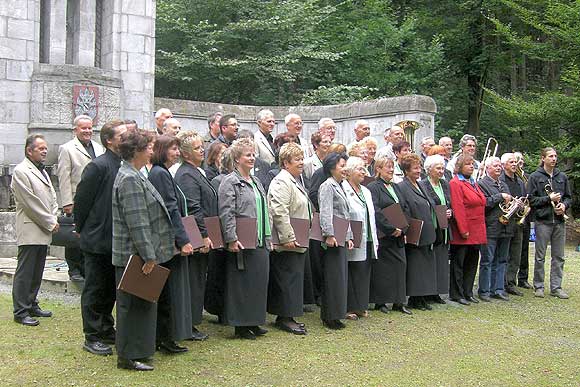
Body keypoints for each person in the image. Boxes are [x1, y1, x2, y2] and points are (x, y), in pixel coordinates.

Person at [112, 129, 174, 371]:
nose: (152, 151)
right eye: (149, 147)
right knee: (132, 307)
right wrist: (148, 256)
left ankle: (139, 350)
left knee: (142, 305)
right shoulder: (129, 178)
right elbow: (137, 222)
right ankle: (128, 355)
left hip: (139, 254)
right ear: (136, 150)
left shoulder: (134, 174)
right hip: (134, 255)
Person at [74, 119, 126, 355]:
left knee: (109, 289)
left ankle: (106, 328)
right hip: (97, 239)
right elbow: (82, 202)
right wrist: (84, 228)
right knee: (95, 288)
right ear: (109, 140)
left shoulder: (123, 164)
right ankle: (92, 335)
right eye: (122, 136)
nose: (127, 139)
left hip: (115, 239)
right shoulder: (98, 166)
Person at [218, 138, 271, 340]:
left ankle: (254, 321)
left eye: (253, 154)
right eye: (248, 155)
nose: (252, 158)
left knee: (258, 282)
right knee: (242, 284)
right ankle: (241, 325)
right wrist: (231, 237)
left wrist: (268, 236)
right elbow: (226, 212)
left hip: (259, 240)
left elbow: (265, 211)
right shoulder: (230, 182)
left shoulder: (256, 181)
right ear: (237, 158)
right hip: (242, 240)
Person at [147, 135, 195, 347]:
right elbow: (170, 208)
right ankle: (165, 338)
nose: (177, 153)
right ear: (162, 150)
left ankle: (164, 336)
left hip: (168, 239)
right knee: (167, 291)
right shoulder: (160, 173)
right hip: (167, 242)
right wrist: (183, 239)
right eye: (173, 149)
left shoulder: (162, 172)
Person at [11, 134, 59, 327]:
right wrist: (50, 221)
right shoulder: (21, 171)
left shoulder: (42, 170)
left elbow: (51, 197)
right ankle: (20, 310)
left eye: (45, 148)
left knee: (37, 270)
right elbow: (30, 203)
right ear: (29, 150)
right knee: (26, 271)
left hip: (43, 227)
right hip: (31, 228)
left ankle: (31, 303)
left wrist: (54, 216)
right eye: (40, 148)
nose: (45, 151)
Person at [173, 131, 216, 339]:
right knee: (193, 281)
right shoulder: (187, 175)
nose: (203, 150)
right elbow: (193, 207)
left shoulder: (196, 171)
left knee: (198, 280)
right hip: (195, 236)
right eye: (198, 148)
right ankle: (188, 324)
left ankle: (192, 322)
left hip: (200, 234)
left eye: (202, 146)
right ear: (187, 154)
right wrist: (204, 235)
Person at [267, 142, 310, 335]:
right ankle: (284, 317)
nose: (301, 162)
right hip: (288, 240)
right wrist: (287, 236)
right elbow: (279, 211)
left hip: (298, 237)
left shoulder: (293, 179)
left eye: (302, 158)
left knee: (293, 277)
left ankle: (289, 315)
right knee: (286, 277)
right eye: (297, 159)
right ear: (285, 163)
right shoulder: (282, 181)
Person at [57, 114, 105, 281]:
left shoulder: (99, 148)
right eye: (84, 128)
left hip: (96, 199)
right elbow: (64, 176)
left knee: (89, 232)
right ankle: (74, 269)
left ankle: (86, 267)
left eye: (90, 127)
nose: (87, 131)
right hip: (77, 198)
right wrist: (67, 202)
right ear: (75, 129)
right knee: (73, 233)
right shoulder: (67, 148)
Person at [368, 157, 411, 315]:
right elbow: (376, 211)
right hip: (385, 235)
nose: (391, 170)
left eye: (393, 167)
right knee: (383, 270)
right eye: (387, 167)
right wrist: (391, 228)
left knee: (400, 266)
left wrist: (403, 227)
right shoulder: (373, 187)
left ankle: (399, 302)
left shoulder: (396, 187)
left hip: (399, 234)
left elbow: (405, 206)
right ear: (378, 169)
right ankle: (381, 302)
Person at [527, 147, 572, 299]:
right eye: (550, 156)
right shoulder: (534, 177)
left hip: (559, 221)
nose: (553, 159)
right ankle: (538, 286)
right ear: (543, 158)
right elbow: (531, 200)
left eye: (555, 156)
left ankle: (556, 287)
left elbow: (568, 197)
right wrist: (549, 199)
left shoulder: (562, 177)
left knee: (559, 256)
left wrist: (564, 206)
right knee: (540, 256)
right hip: (542, 221)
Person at [318, 152, 354, 329]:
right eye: (341, 165)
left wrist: (348, 237)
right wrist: (329, 234)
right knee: (333, 277)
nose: (344, 168)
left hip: (341, 236)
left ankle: (337, 313)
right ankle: (330, 315)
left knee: (340, 277)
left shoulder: (340, 185)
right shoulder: (328, 186)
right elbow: (326, 211)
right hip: (332, 238)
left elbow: (344, 214)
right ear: (332, 167)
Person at [397, 153, 437, 311]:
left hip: (426, 231)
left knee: (424, 266)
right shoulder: (402, 186)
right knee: (415, 267)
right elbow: (404, 208)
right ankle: (414, 297)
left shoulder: (420, 184)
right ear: (406, 170)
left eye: (419, 167)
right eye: (415, 168)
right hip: (414, 231)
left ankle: (421, 296)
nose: (418, 170)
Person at [342, 157, 378, 320]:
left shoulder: (366, 191)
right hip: (352, 235)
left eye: (364, 168)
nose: (364, 172)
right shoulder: (343, 188)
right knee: (351, 272)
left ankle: (360, 305)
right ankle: (349, 307)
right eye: (360, 169)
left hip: (367, 236)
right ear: (349, 172)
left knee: (363, 272)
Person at [449, 155, 486, 305]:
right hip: (463, 230)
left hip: (476, 230)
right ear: (459, 166)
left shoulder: (473, 182)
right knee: (459, 263)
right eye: (467, 164)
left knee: (472, 262)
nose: (471, 166)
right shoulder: (456, 183)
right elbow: (458, 207)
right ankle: (457, 293)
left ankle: (468, 291)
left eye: (472, 164)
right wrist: (463, 229)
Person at [477, 157, 514, 302]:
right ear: (487, 168)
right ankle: (484, 290)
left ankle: (498, 289)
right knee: (487, 260)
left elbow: (509, 205)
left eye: (500, 166)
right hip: (491, 226)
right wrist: (500, 196)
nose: (499, 168)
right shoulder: (481, 184)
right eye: (495, 166)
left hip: (506, 227)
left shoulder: (504, 184)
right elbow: (483, 203)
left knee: (502, 260)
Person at [419, 155, 452, 304]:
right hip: (432, 226)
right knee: (430, 261)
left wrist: (450, 211)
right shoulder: (423, 185)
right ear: (429, 169)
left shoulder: (445, 184)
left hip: (444, 227)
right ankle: (427, 291)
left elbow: (448, 202)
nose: (441, 171)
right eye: (438, 168)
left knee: (441, 260)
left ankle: (437, 292)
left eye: (443, 168)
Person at [499, 153, 526, 296]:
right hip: (504, 221)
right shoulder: (500, 180)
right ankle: (500, 282)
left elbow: (526, 199)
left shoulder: (520, 182)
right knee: (503, 253)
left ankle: (510, 282)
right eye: (511, 162)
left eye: (515, 162)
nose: (514, 164)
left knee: (516, 253)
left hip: (517, 221)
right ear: (504, 165)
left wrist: (521, 205)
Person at [514, 151, 532, 289]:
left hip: (525, 215)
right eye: (516, 161)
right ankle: (510, 279)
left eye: (521, 161)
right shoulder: (509, 177)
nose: (519, 163)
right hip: (513, 215)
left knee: (524, 248)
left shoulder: (527, 177)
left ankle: (523, 277)